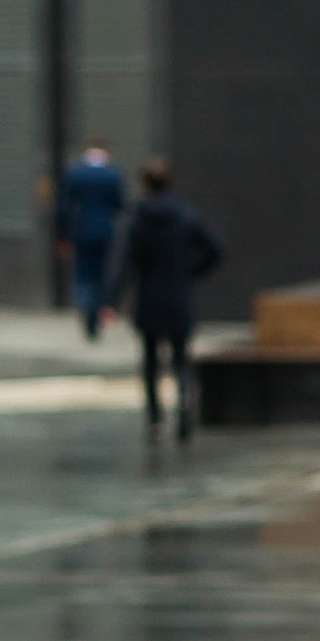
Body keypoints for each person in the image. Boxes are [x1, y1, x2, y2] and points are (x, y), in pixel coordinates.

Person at [117, 160, 224, 437]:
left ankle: (154, 417)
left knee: (151, 359)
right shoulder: (187, 216)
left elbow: (126, 263)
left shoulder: (138, 219)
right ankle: (185, 403)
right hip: (178, 295)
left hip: (149, 297)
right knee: (180, 357)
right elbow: (215, 250)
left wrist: (112, 298)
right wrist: (191, 273)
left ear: (145, 185)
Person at [56, 140, 127, 339]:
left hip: (81, 230)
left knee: (83, 274)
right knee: (101, 274)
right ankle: (96, 312)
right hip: (104, 231)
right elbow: (120, 205)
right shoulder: (112, 175)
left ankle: (87, 309)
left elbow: (63, 206)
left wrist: (63, 235)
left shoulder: (76, 173)